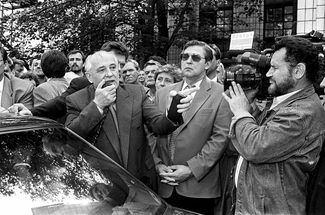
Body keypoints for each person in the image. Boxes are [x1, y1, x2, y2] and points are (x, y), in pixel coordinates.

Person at [222, 36, 325, 214]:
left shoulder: (301, 113)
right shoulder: (284, 101)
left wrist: (241, 112)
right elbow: (258, 137)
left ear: (298, 71)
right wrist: (250, 110)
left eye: (275, 68)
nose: (268, 74)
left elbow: (255, 147)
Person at [65, 51, 196, 189]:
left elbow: (158, 125)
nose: (110, 74)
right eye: (102, 70)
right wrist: (97, 105)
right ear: (90, 77)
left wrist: (173, 111)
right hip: (103, 185)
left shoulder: (136, 93)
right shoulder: (76, 100)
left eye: (113, 67)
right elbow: (72, 136)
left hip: (140, 182)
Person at [153, 40, 232, 215]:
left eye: (195, 57)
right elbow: (152, 133)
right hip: (163, 184)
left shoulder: (221, 94)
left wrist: (191, 169)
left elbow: (220, 139)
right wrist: (157, 165)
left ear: (208, 64)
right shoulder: (163, 93)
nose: (188, 61)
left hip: (198, 187)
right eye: (184, 57)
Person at [8, 41, 129, 120]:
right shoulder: (82, 84)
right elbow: (59, 104)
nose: (114, 72)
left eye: (119, 65)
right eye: (108, 64)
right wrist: (30, 112)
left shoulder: (138, 93)